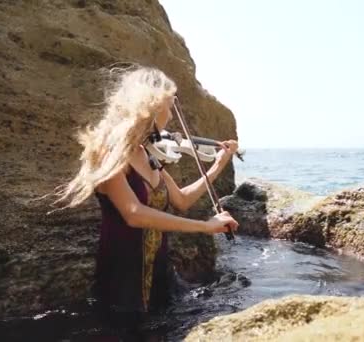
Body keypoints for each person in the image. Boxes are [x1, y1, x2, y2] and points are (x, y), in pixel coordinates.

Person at [51, 66, 239, 339]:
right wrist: (205, 227)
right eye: (169, 106)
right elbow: (134, 214)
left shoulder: (148, 153)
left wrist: (217, 166)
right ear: (151, 106)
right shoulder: (109, 152)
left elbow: (182, 200)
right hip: (123, 278)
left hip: (160, 275)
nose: (172, 115)